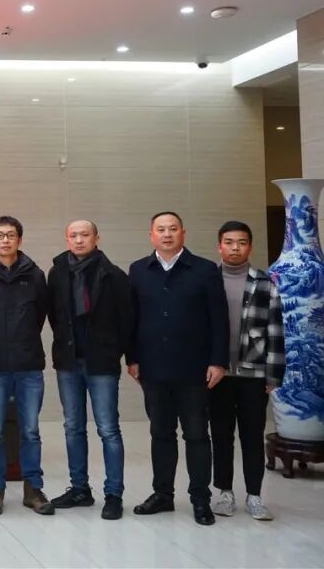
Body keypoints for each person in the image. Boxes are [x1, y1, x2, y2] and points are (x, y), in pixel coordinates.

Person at [128, 211, 228, 526]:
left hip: (194, 369)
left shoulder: (205, 270)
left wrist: (218, 361)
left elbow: (219, 319)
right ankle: (163, 494)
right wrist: (132, 358)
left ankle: (200, 498)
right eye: (161, 229)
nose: (167, 234)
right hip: (153, 368)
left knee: (196, 434)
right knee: (160, 433)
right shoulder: (138, 270)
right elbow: (132, 319)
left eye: (173, 229)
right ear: (151, 235)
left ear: (183, 233)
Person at [47, 220, 133, 520]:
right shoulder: (57, 273)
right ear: (66, 239)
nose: (79, 240)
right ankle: (79, 489)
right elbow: (55, 316)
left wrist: (117, 352)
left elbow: (126, 320)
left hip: (101, 363)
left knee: (108, 429)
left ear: (97, 238)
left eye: (85, 235)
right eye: (73, 235)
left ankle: (114, 494)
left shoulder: (113, 275)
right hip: (69, 362)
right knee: (73, 427)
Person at [0, 215, 53, 516]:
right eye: (0, 235)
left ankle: (33, 489)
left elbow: (40, 315)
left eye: (11, 235)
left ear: (20, 240)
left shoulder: (35, 275)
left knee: (30, 431)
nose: (5, 240)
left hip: (28, 365)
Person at [210, 221, 285, 521]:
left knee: (252, 435)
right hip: (217, 374)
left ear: (250, 247)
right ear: (219, 246)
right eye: (229, 242)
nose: (235, 248)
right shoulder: (208, 280)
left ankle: (254, 496)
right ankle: (225, 493)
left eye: (241, 243)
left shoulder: (265, 283)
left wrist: (274, 374)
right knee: (221, 435)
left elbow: (276, 330)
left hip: (253, 375)